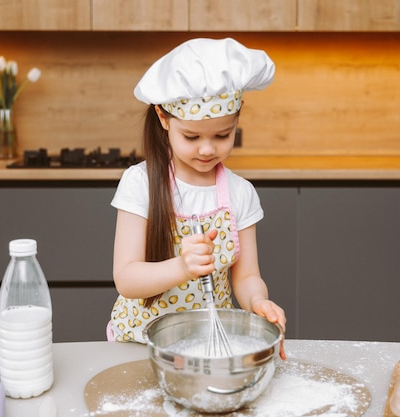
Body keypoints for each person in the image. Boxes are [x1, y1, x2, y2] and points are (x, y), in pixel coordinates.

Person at [108, 37, 286, 359]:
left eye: (222, 135)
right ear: (164, 119)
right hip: (139, 345)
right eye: (191, 136)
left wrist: (258, 301)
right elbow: (127, 278)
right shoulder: (141, 183)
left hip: (207, 347)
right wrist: (182, 266)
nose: (207, 149)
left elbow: (246, 276)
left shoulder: (240, 192)